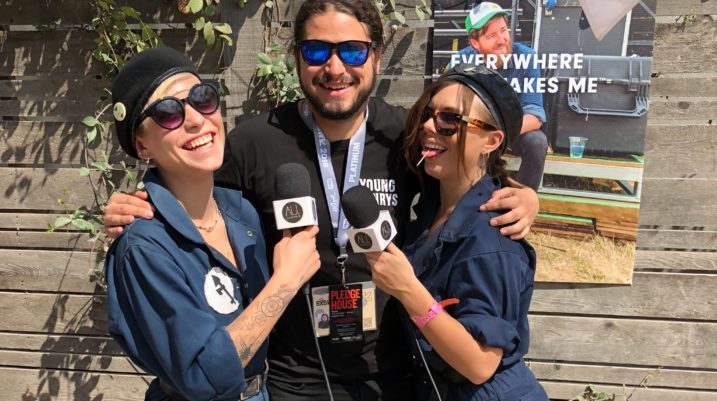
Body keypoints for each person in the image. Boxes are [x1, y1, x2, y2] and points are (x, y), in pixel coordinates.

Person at [102, 1, 540, 400]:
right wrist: (135, 204)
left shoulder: (404, 137)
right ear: (296, 58)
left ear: (376, 58)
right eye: (316, 51)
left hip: (394, 376)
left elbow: (466, 177)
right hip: (291, 381)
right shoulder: (252, 142)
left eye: (352, 51)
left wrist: (524, 196)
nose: (334, 68)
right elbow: (188, 186)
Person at [104, 47, 320, 401]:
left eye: (202, 98)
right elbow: (203, 377)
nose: (195, 119)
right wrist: (286, 281)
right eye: (167, 112)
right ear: (142, 146)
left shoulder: (242, 212)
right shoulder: (144, 248)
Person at [365, 63, 548, 401]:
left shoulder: (491, 237)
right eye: (428, 114)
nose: (428, 126)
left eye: (449, 119)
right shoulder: (435, 205)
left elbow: (480, 363)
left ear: (491, 141)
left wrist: (407, 289)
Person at [451, 2, 548, 191]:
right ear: (475, 43)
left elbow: (535, 116)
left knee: (537, 142)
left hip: (514, 131)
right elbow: (455, 108)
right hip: (478, 129)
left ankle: (521, 199)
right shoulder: (462, 60)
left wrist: (498, 133)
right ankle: (468, 198)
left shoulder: (526, 56)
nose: (502, 39)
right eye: (492, 35)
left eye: (503, 30)